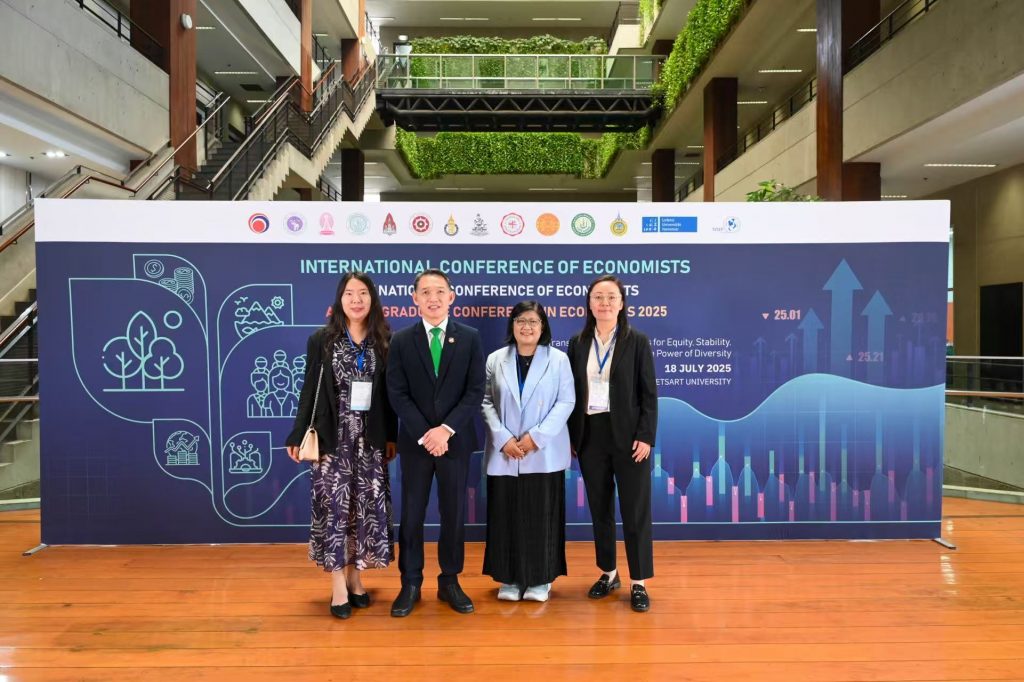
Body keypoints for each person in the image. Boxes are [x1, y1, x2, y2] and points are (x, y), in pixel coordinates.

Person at [285, 272, 397, 619]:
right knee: (335, 511)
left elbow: (390, 397)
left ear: (372, 299)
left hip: (370, 440)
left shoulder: (385, 340)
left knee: (364, 511)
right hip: (333, 439)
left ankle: (355, 578)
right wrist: (297, 433)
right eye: (349, 293)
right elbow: (309, 389)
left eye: (363, 293)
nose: (356, 300)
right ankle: (337, 586)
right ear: (340, 300)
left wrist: (391, 436)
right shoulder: (322, 340)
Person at [386, 269, 485, 616]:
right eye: (425, 292)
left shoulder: (470, 337)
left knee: (453, 514)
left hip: (455, 443)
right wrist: (427, 434)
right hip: (416, 445)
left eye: (440, 291)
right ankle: (410, 582)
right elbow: (397, 393)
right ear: (414, 298)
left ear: (451, 297)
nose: (433, 298)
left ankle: (450, 581)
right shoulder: (401, 340)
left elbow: (475, 391)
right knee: (412, 514)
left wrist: (446, 430)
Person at [567, 275, 658, 612]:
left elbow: (649, 394)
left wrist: (645, 435)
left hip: (630, 438)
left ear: (621, 303)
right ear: (589, 304)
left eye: (610, 297)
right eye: (598, 297)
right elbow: (570, 395)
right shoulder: (577, 343)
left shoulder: (637, 341)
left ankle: (639, 582)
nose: (604, 303)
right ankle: (608, 573)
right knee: (600, 510)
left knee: (635, 511)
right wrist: (572, 437)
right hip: (590, 435)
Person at [481, 301, 574, 602]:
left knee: (541, 516)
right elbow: (485, 401)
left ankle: (540, 579)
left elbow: (566, 401)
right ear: (512, 325)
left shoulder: (558, 360)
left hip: (542, 453)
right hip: (505, 453)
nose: (527, 327)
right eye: (521, 320)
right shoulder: (496, 359)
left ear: (543, 326)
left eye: (533, 321)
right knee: (505, 515)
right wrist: (503, 438)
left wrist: (536, 437)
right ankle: (509, 578)